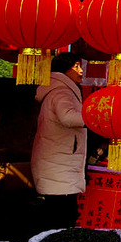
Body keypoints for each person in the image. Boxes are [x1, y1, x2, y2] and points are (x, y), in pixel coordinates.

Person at [31, 52, 87, 231]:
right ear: (64, 70)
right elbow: (68, 118)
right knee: (61, 216)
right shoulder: (62, 91)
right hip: (59, 163)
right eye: (76, 66)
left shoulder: (60, 89)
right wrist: (95, 118)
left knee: (59, 213)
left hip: (58, 161)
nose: (81, 71)